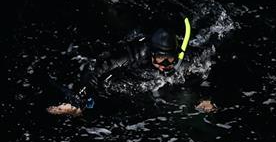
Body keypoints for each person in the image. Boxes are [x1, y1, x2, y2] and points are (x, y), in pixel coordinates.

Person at [47, 18, 214, 115]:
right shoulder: (135, 53)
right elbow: (96, 70)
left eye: (169, 59)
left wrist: (203, 97)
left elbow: (205, 67)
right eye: (160, 58)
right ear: (151, 54)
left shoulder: (184, 56)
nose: (165, 64)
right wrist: (78, 99)